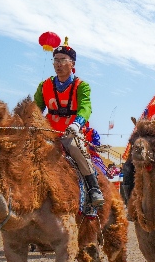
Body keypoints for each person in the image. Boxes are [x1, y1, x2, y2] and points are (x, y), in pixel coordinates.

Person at [34, 40, 105, 207]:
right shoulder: (44, 86)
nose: (58, 64)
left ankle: (93, 187)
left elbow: (85, 107)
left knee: (75, 147)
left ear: (72, 63)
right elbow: (35, 109)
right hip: (49, 132)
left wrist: (77, 124)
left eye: (62, 60)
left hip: (71, 131)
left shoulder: (82, 86)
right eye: (55, 60)